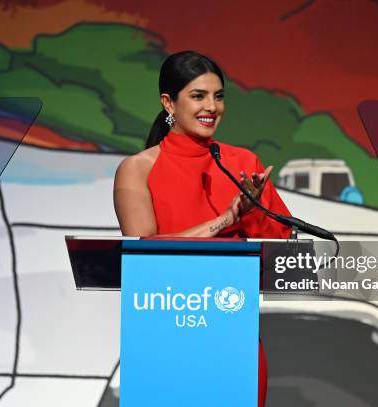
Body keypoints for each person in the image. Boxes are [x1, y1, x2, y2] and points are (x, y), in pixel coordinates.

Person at [114, 50, 292, 406]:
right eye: (198, 96)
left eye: (219, 96)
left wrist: (253, 211)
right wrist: (226, 220)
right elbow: (144, 249)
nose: (212, 106)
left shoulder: (243, 163)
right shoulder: (137, 169)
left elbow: (281, 246)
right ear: (169, 102)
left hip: (234, 331)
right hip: (166, 332)